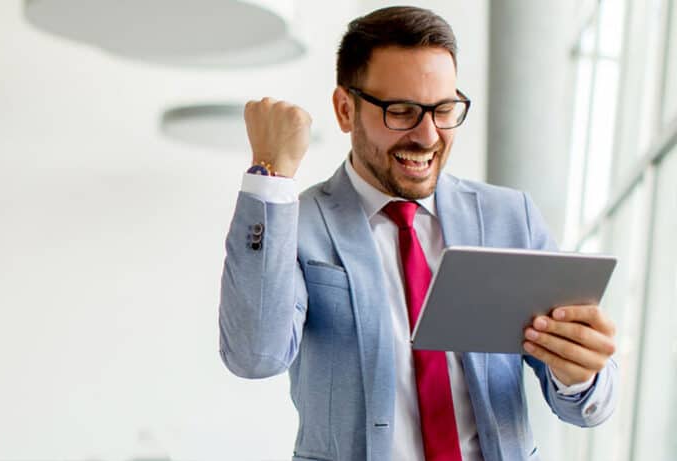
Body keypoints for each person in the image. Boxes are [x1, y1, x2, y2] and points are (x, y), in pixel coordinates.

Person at [218, 6, 618, 461]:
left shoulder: (511, 218)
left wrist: (581, 371)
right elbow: (254, 356)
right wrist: (272, 176)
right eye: (402, 111)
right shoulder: (298, 222)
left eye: (444, 109)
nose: (428, 136)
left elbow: (586, 406)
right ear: (345, 109)